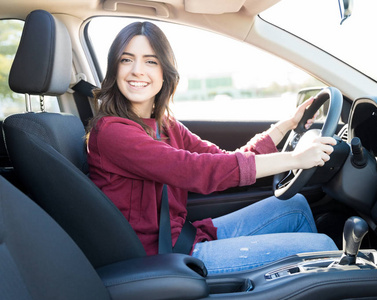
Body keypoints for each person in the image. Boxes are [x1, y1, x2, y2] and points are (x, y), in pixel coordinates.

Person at [87, 21, 338, 274]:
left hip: (182, 238)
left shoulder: (165, 125)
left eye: (150, 61)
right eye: (126, 60)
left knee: (294, 206)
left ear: (165, 72)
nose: (137, 71)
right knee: (323, 247)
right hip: (161, 257)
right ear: (114, 68)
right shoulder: (112, 132)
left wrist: (285, 127)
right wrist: (295, 159)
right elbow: (196, 170)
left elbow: (225, 160)